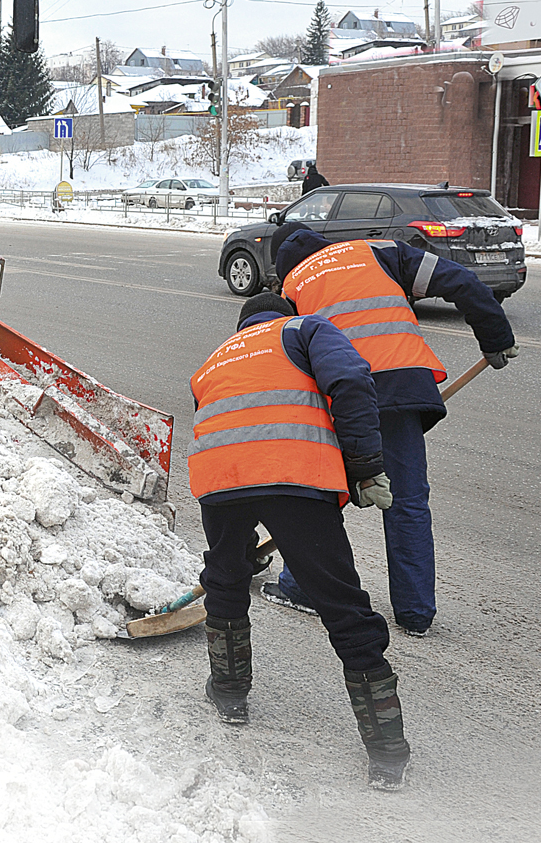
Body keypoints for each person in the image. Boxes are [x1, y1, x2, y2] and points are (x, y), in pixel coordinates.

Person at [190, 291, 410, 790]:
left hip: (219, 480)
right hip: (292, 477)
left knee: (226, 580)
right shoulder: (304, 329)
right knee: (340, 603)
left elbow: (219, 422)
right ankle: (387, 753)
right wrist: (367, 466)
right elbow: (351, 380)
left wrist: (241, 539)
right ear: (282, 316)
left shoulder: (217, 356)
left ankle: (229, 695)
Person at [264, 222, 517, 637]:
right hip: (403, 383)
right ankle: (416, 615)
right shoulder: (379, 252)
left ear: (285, 264)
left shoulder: (293, 287)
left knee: (322, 493)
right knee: (408, 502)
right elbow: (462, 280)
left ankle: (301, 588)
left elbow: (289, 361)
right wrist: (495, 336)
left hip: (342, 395)